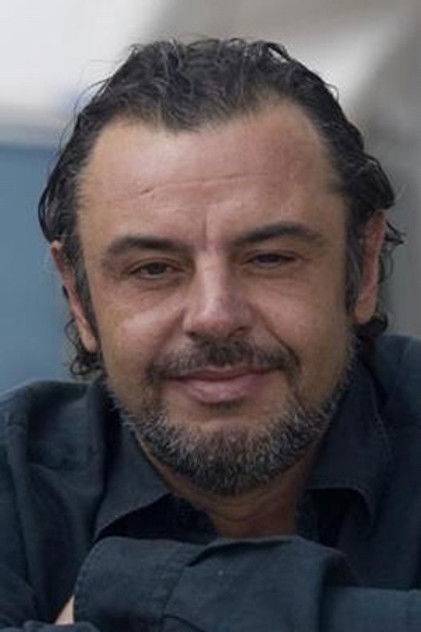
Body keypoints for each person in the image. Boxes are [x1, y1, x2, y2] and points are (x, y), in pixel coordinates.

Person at [1, 37, 421, 631]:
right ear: (79, 295)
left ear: (365, 266)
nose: (215, 316)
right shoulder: (17, 481)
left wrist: (137, 589)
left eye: (270, 259)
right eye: (153, 269)